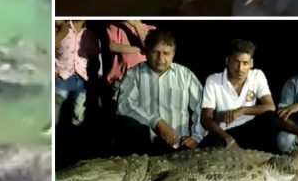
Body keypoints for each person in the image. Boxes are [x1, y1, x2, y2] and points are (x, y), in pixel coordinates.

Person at [198, 39, 298, 154]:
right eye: (236, 62)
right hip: (225, 132)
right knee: (210, 146)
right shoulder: (213, 80)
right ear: (228, 61)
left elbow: (270, 106)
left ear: (251, 63)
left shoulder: (257, 75)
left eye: (245, 63)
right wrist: (228, 138)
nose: (240, 68)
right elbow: (205, 119)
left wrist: (242, 110)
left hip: (249, 130)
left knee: (271, 118)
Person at [114, 28, 206, 156]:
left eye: (166, 53)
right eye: (155, 52)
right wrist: (156, 122)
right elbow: (123, 105)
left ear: (173, 54)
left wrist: (197, 137)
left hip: (179, 145)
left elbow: (202, 106)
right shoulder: (134, 74)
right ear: (146, 52)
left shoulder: (185, 75)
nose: (160, 59)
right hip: (145, 144)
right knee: (124, 123)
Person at [54, 20, 99, 129]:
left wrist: (92, 76)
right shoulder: (62, 29)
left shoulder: (89, 34)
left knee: (79, 112)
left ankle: (75, 134)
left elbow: (94, 57)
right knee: (56, 108)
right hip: (62, 76)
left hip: (81, 79)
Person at [104, 20, 155, 106]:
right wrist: (138, 49)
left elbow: (149, 48)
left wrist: (136, 25)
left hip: (143, 82)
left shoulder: (150, 29)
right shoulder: (115, 27)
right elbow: (112, 46)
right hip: (121, 81)